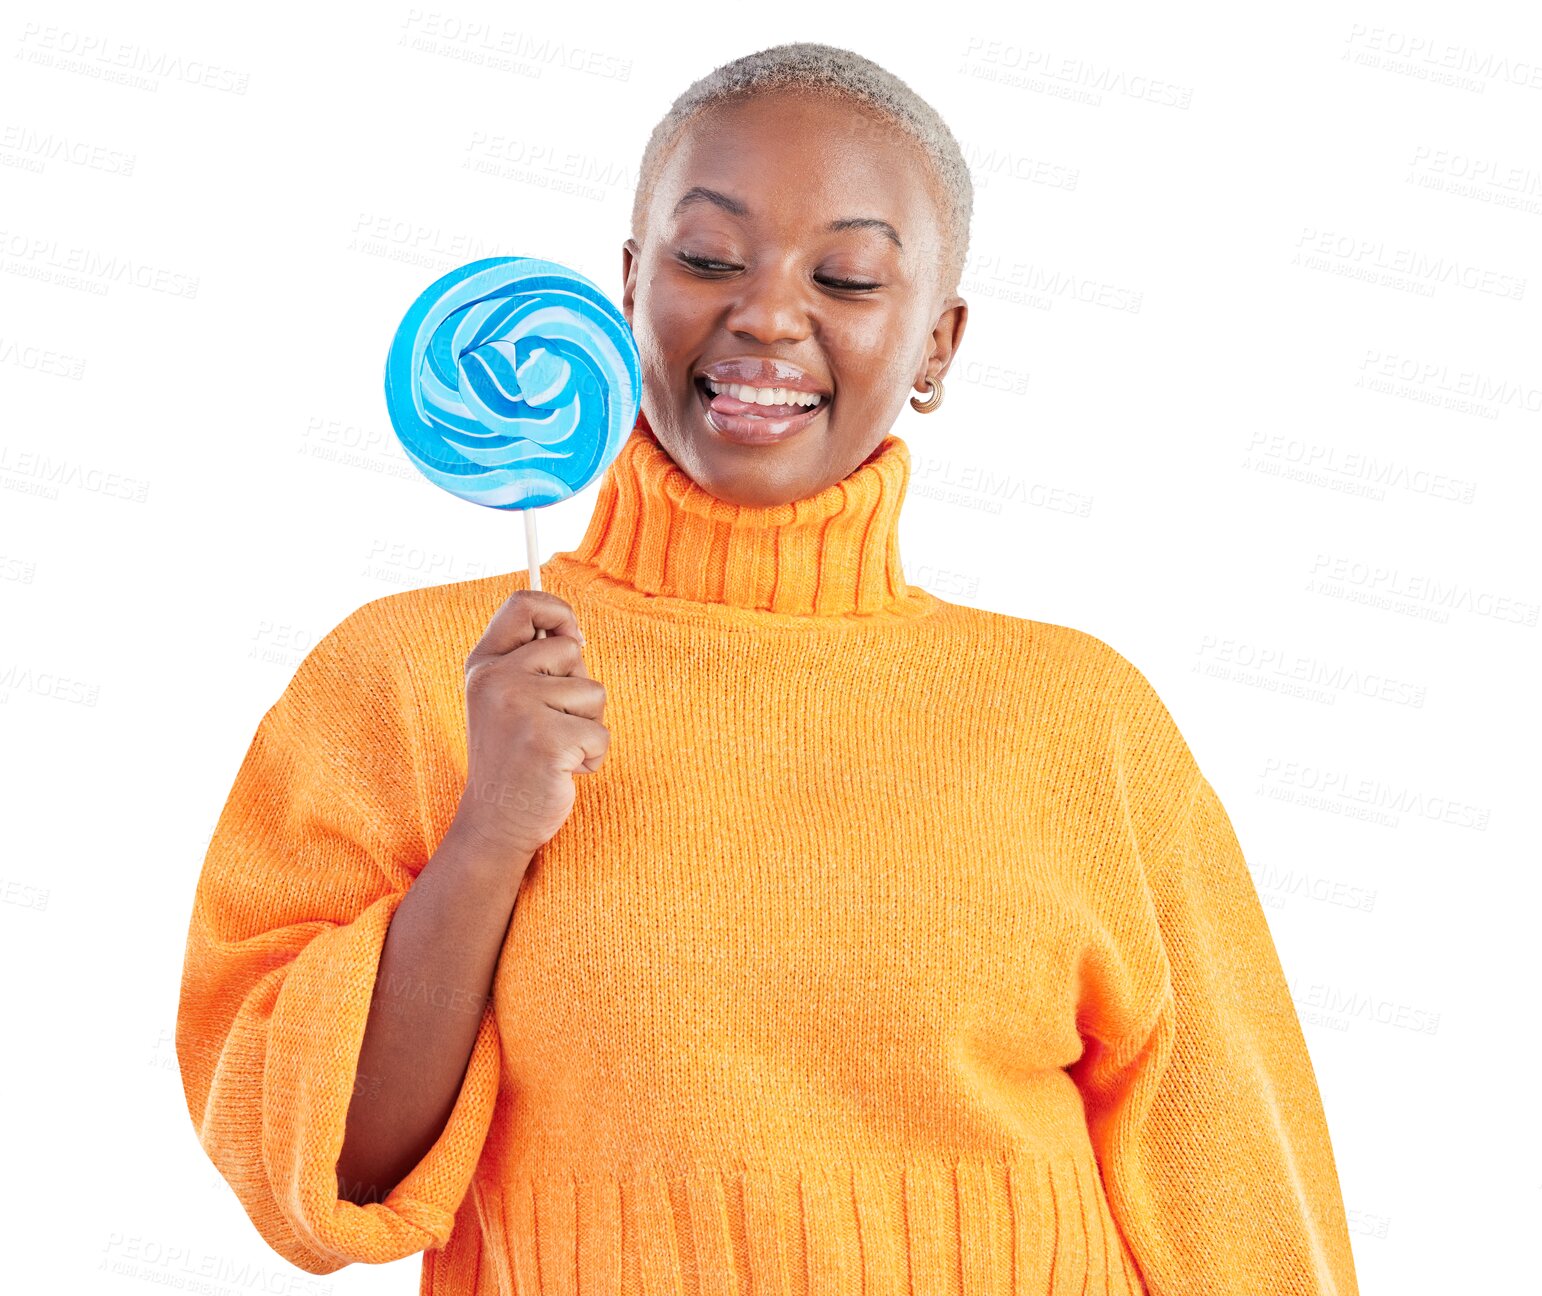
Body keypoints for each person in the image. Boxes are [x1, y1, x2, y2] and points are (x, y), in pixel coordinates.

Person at [176, 42, 1361, 1296]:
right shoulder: (418, 678)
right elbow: (314, 1181)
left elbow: (1235, 1183)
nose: (767, 315)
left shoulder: (1081, 718)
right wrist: (488, 838)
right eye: (705, 259)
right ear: (628, 285)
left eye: (847, 276)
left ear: (938, 345)